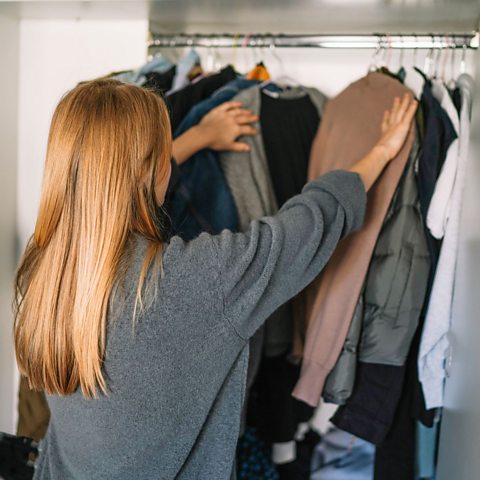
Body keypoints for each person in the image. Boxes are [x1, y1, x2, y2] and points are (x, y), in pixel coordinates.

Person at [13, 79, 417, 480]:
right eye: (165, 156)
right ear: (152, 168)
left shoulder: (45, 272)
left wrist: (200, 137)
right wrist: (381, 150)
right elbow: (313, 220)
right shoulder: (199, 278)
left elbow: (113, 183)